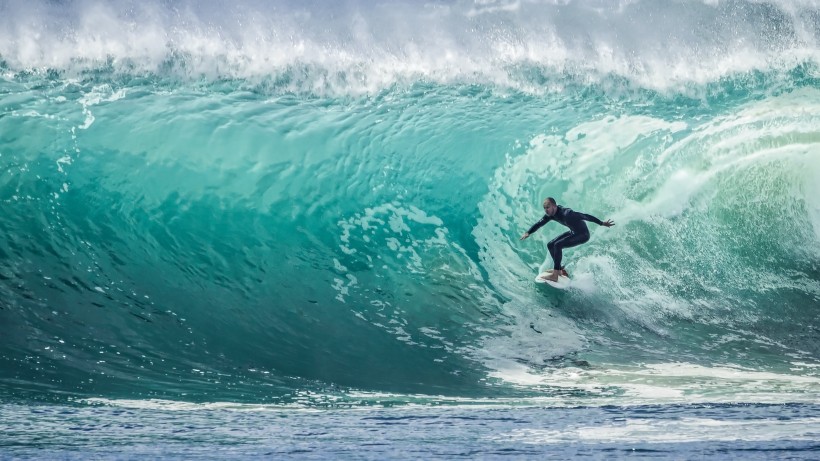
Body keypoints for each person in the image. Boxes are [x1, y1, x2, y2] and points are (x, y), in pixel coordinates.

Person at [520, 197, 614, 282]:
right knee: (550, 244)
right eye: (544, 208)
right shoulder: (550, 215)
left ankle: (555, 275)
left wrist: (602, 223)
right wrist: (528, 232)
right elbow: (539, 223)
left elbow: (585, 216)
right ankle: (560, 270)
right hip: (573, 232)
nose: (546, 210)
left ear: (554, 206)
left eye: (547, 207)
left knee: (557, 245)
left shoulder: (567, 213)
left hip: (583, 235)